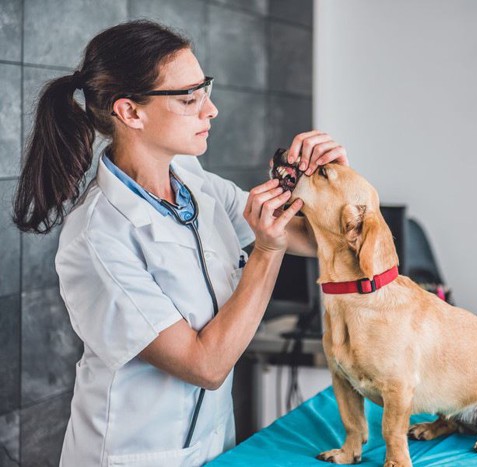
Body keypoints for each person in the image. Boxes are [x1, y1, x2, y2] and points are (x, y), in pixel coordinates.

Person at [12, 20, 348, 466]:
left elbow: (313, 237)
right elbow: (205, 366)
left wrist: (331, 183)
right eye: (190, 98)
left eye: (204, 90)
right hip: (135, 455)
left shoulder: (193, 183)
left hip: (210, 446)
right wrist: (266, 253)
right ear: (130, 112)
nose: (211, 111)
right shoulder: (97, 237)